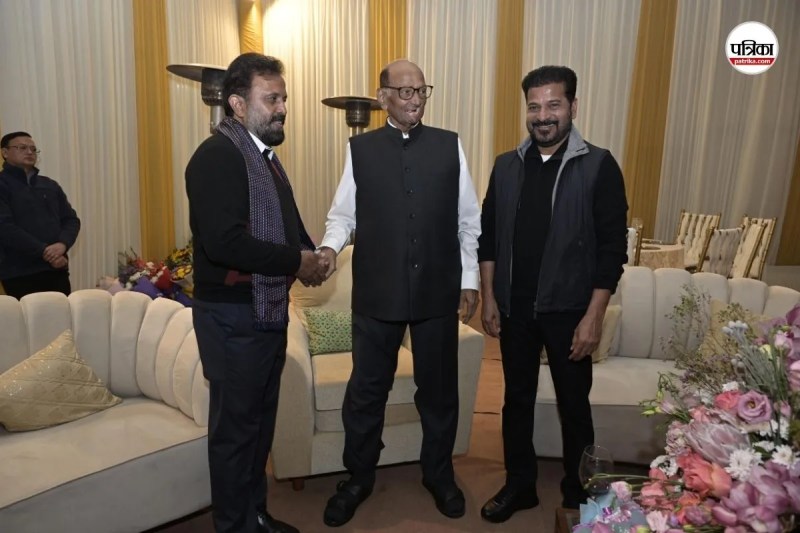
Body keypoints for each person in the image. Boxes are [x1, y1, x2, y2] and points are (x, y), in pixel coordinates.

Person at [316, 59, 481, 527]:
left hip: (436, 290)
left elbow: (468, 220)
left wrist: (469, 280)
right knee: (366, 391)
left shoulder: (449, 145)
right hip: (377, 291)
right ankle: (358, 476)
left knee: (439, 391)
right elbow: (342, 216)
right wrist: (328, 249)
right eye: (405, 91)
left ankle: (439, 474)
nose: (415, 99)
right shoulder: (361, 149)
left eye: (421, 90)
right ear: (383, 96)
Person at [478, 65, 628, 522]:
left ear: (573, 107)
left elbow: (612, 250)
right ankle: (519, 485)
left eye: (553, 105)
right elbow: (488, 237)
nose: (543, 115)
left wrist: (594, 316)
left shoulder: (598, 165)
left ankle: (579, 494)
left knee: (574, 406)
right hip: (515, 310)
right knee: (516, 401)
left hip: (570, 312)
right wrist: (489, 297)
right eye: (534, 106)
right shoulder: (506, 166)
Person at [185, 52, 327, 533]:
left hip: (262, 313)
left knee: (259, 425)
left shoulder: (264, 159)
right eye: (272, 99)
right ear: (238, 104)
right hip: (233, 319)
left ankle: (255, 515)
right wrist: (296, 262)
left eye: (284, 98)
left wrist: (309, 252)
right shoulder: (217, 157)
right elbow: (225, 244)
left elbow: (285, 228)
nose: (283, 108)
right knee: (235, 434)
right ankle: (234, 525)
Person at [0, 131, 80, 299]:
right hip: (19, 271)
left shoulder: (49, 185)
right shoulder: (3, 184)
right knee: (29, 317)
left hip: (56, 269)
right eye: (22, 148)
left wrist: (63, 244)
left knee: (62, 315)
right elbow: (5, 227)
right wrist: (44, 251)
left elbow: (71, 220)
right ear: (5, 152)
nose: (29, 152)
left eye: (33, 149)